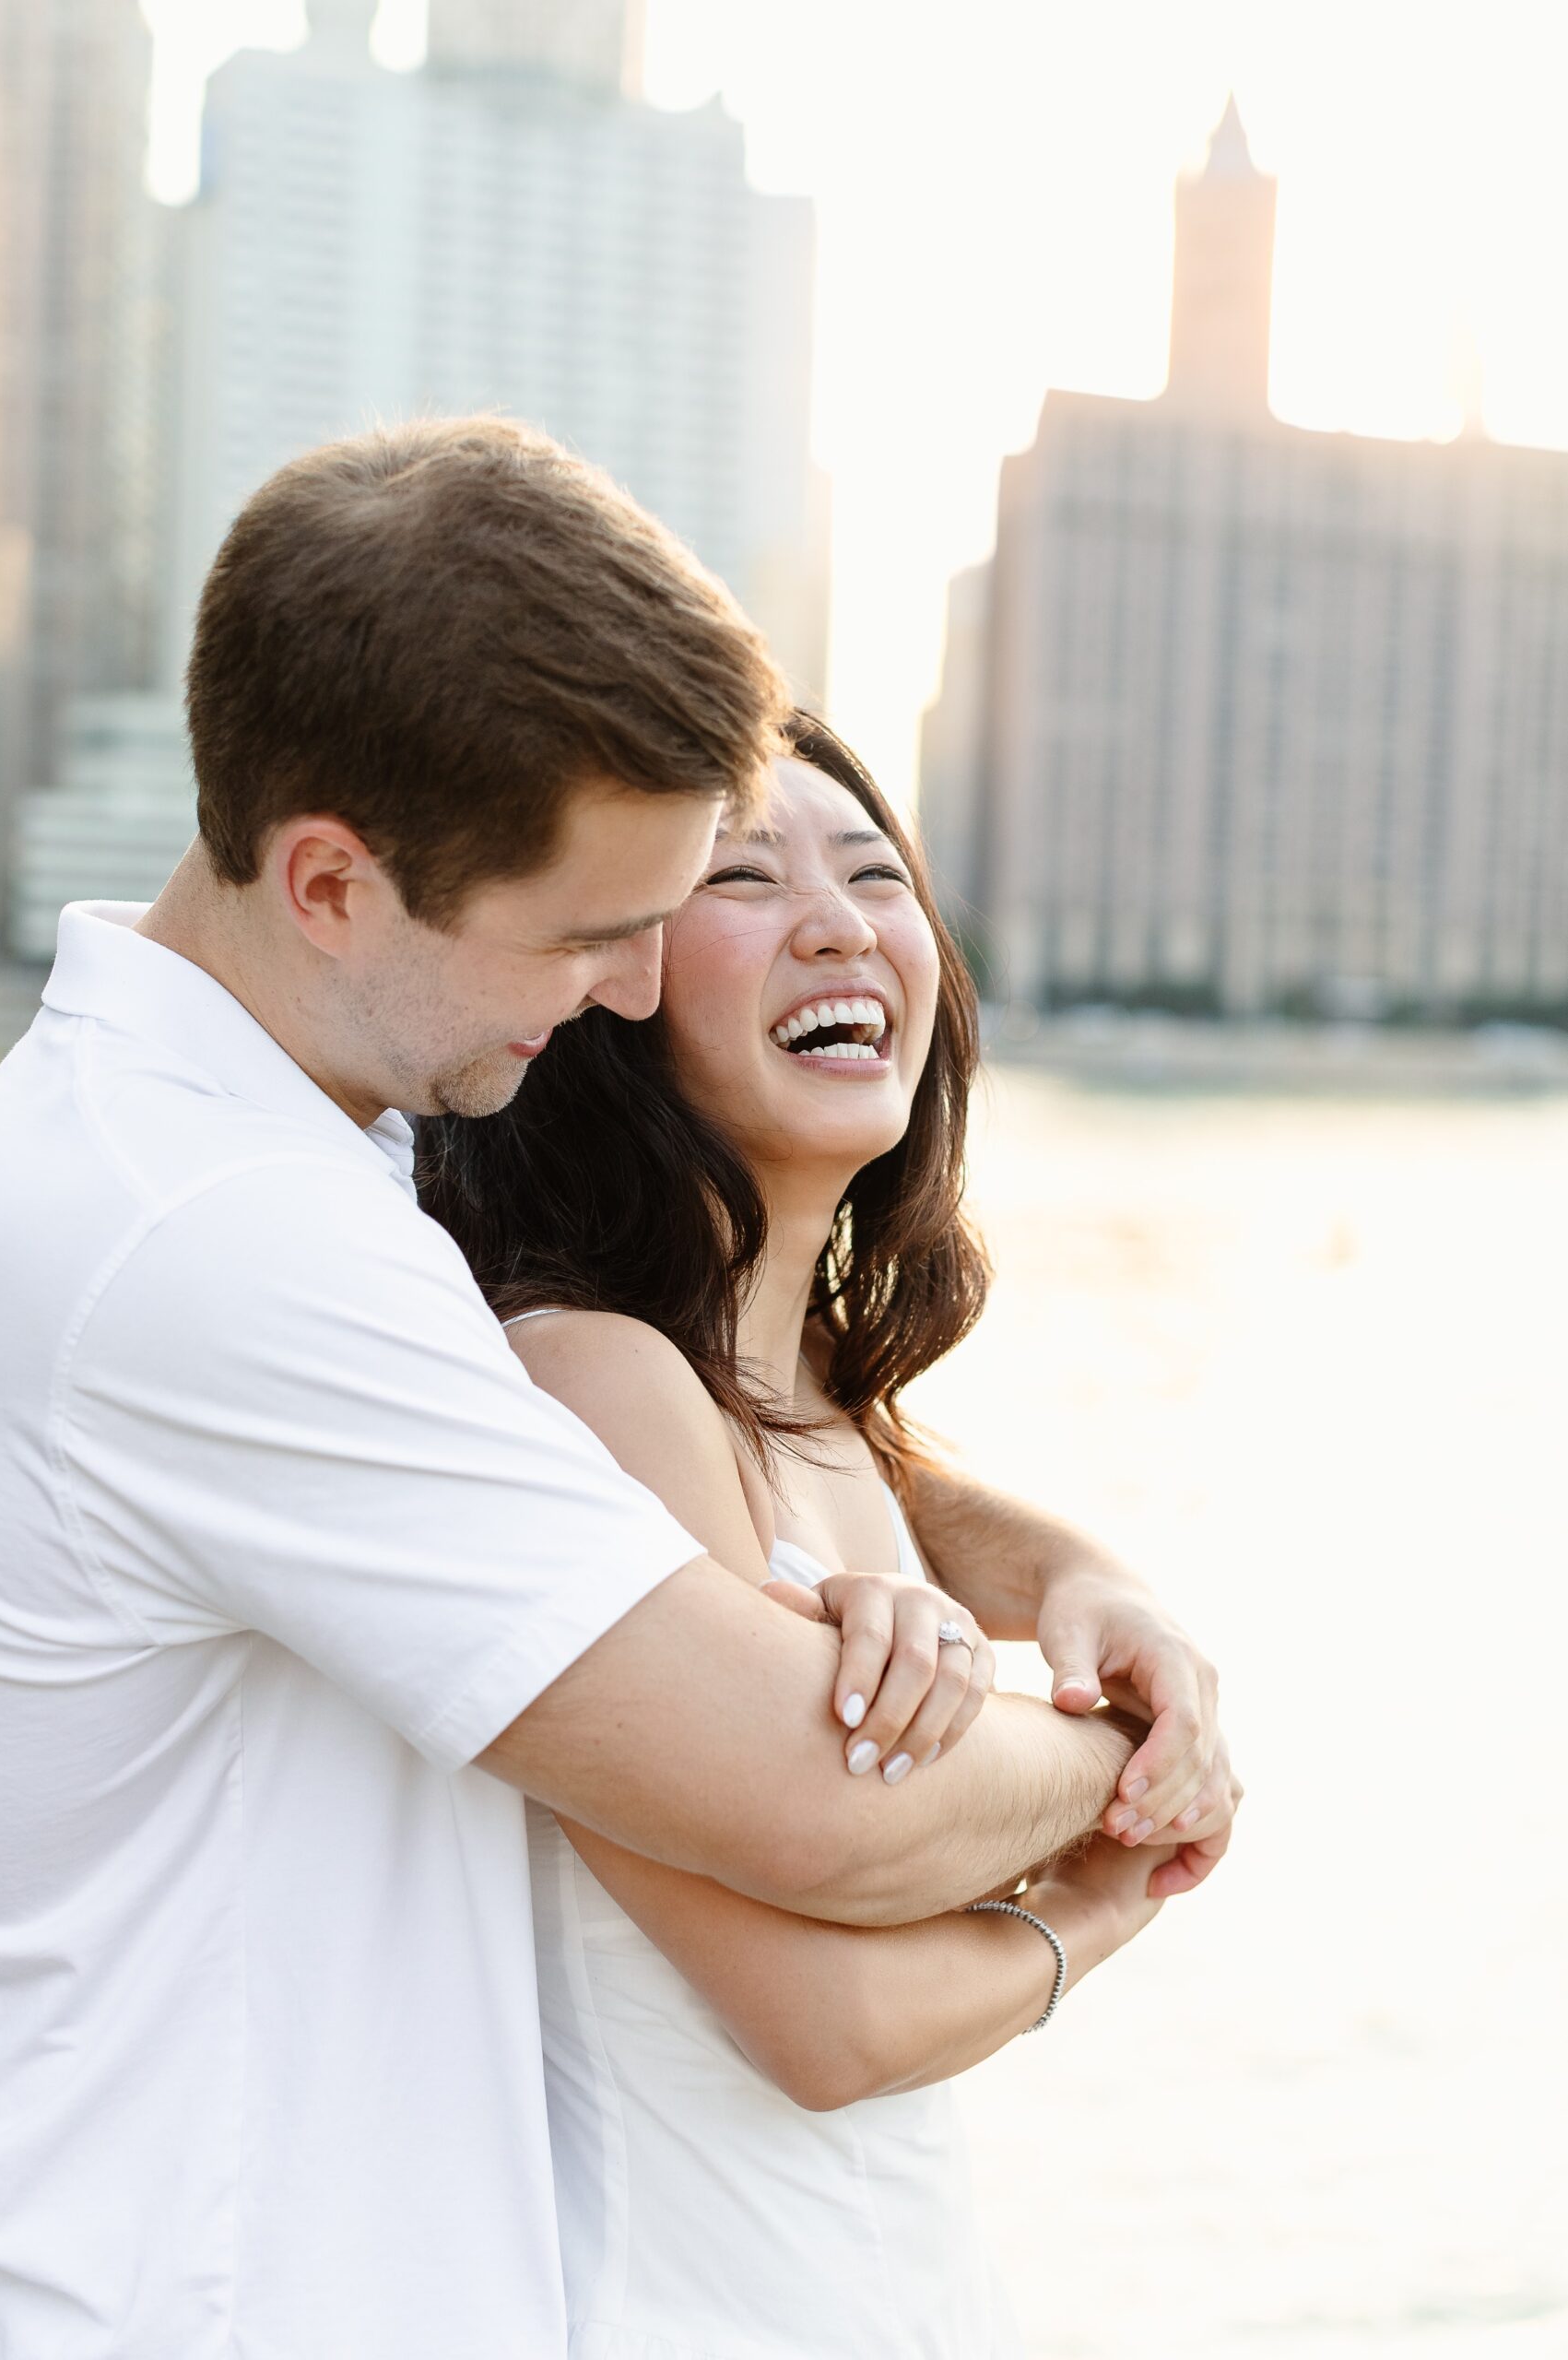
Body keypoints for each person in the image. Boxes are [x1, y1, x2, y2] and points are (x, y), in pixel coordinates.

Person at [0, 418, 1232, 2360]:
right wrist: (1126, 1761)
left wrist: (1019, 1554)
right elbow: (819, 1802)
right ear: (331, 882)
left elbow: (733, 1421)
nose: (626, 993)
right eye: (596, 929)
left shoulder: (263, 1159)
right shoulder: (216, 1237)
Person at [418, 716, 1227, 2356]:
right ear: (609, 980)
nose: (840, 921)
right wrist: (1115, 1884)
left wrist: (1081, 1573)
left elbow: (884, 1473)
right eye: (742, 875)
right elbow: (826, 2028)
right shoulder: (598, 1377)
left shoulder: (825, 1414)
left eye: (876, 873)